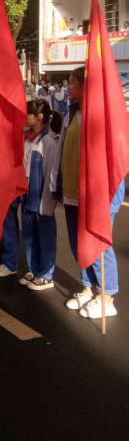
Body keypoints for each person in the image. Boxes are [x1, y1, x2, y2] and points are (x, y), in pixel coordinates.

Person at [51, 67, 124, 320]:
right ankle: (89, 289)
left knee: (98, 244)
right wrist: (56, 184)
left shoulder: (102, 116)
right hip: (72, 191)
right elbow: (63, 151)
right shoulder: (70, 113)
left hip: (98, 195)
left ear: (86, 86)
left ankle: (107, 297)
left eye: (72, 82)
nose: (67, 86)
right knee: (78, 245)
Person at [18, 99, 59, 292]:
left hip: (41, 196)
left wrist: (48, 201)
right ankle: (34, 268)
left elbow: (51, 172)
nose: (24, 116)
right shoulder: (27, 139)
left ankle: (46, 274)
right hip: (27, 195)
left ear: (40, 117)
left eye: (28, 113)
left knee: (45, 235)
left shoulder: (48, 142)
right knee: (29, 235)